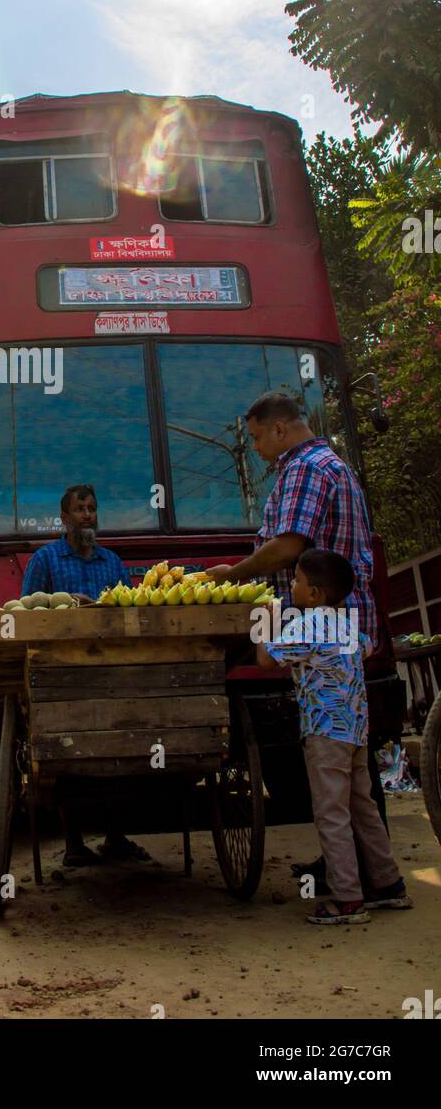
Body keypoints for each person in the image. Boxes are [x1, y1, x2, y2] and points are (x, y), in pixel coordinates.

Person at [206, 390, 389, 890]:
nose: (258, 448)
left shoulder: (305, 468)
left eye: (259, 437)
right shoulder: (333, 463)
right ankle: (378, 876)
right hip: (352, 642)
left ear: (280, 428)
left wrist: (236, 577)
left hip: (325, 657)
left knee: (332, 794)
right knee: (360, 782)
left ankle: (346, 890)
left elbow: (288, 546)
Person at [256, 549, 411, 924]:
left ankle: (347, 900)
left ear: (315, 594)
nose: (291, 585)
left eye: (296, 580)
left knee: (331, 813)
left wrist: (262, 620)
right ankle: (388, 885)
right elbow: (368, 647)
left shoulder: (305, 626)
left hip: (324, 734)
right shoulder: (346, 626)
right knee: (364, 807)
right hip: (356, 732)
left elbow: (265, 660)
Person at [21, 485, 150, 868]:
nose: (87, 515)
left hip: (111, 674)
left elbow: (128, 612)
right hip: (63, 677)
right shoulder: (45, 561)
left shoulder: (111, 562)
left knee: (119, 753)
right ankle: (74, 843)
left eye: (92, 509)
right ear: (64, 518)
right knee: (67, 760)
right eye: (80, 509)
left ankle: (115, 836)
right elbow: (29, 613)